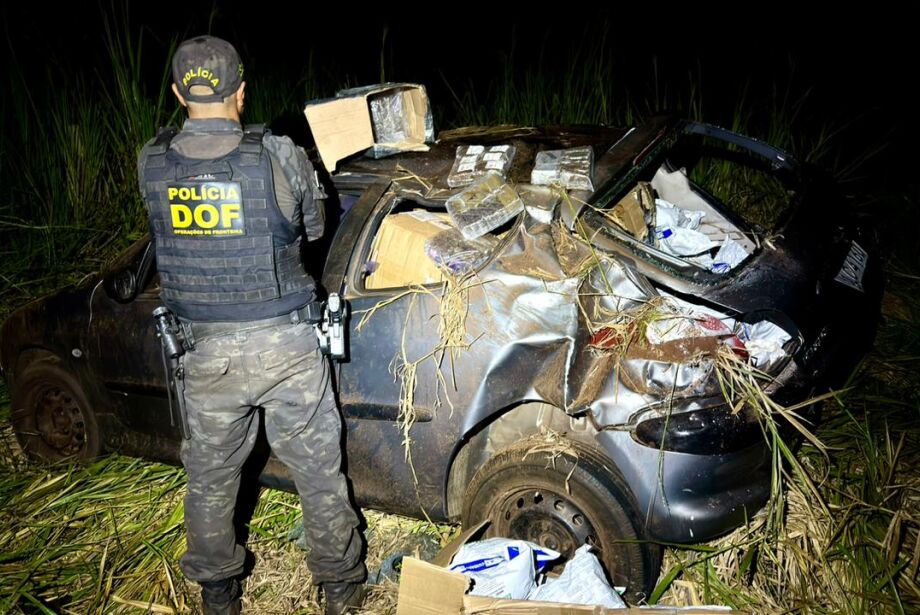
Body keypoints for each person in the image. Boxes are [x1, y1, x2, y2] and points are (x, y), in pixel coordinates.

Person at [137, 35, 366, 615]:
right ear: (241, 91)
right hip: (287, 344)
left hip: (204, 353)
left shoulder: (152, 161)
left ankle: (218, 595)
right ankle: (340, 588)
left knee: (210, 479)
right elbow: (315, 228)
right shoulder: (278, 153)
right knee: (318, 471)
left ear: (177, 94)